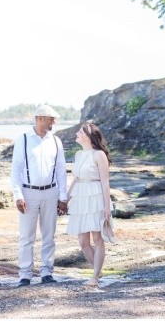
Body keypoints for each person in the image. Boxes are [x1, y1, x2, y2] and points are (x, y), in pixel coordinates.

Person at [10, 104, 68, 287]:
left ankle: (46, 272)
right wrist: (18, 195)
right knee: (26, 236)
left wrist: (63, 197)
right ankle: (25, 275)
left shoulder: (56, 141)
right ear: (40, 118)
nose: (54, 122)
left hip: (51, 192)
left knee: (49, 235)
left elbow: (61, 170)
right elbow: (16, 170)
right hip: (28, 193)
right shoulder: (24, 140)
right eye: (51, 119)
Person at [64, 122, 114, 287]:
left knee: (98, 238)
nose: (77, 133)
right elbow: (76, 180)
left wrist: (107, 207)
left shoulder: (99, 155)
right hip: (81, 198)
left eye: (80, 131)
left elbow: (105, 182)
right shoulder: (78, 154)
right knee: (83, 242)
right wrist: (66, 200)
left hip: (96, 197)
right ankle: (98, 272)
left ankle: (94, 277)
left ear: (88, 136)